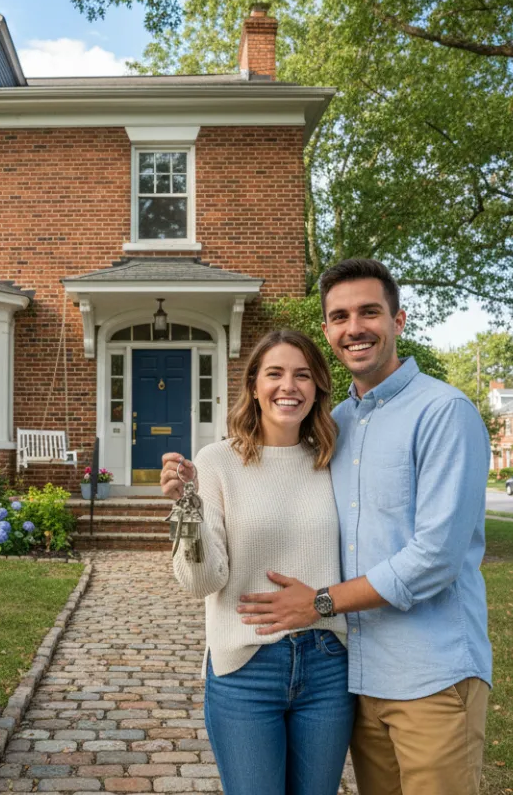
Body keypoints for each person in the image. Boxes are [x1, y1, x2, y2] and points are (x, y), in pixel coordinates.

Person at [164, 258, 492, 795]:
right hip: (345, 674)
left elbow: (436, 556)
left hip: (418, 670)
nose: (354, 327)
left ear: (399, 320)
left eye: (369, 312)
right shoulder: (341, 430)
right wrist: (190, 509)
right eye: (340, 316)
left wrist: (319, 602)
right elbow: (202, 578)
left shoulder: (438, 413)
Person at [166, 329, 354, 795]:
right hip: (245, 667)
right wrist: (186, 511)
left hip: (328, 664)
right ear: (253, 385)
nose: (288, 386)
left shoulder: (337, 460)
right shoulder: (216, 462)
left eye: (303, 375)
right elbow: (200, 580)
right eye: (275, 373)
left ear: (318, 388)